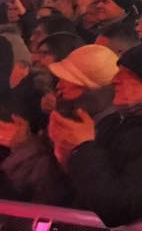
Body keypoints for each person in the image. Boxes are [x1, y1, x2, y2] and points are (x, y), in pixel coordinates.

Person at [47, 40, 142, 227]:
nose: (115, 80)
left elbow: (119, 207)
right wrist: (68, 156)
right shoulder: (116, 121)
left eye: (128, 75)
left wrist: (83, 148)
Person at [0, 44, 118, 205]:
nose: (59, 86)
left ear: (91, 89)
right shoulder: (68, 116)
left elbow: (58, 189)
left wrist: (24, 147)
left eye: (68, 81)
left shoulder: (101, 132)